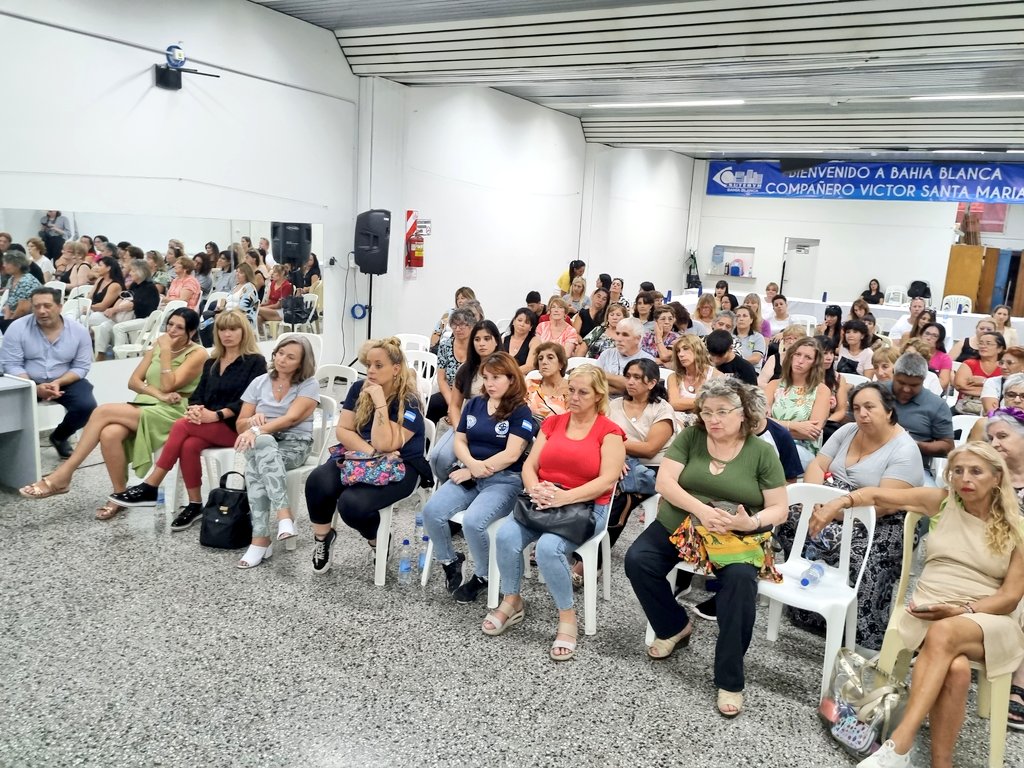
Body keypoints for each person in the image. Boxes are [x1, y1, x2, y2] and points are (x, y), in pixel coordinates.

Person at [813, 443, 1024, 768]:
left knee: (944, 632)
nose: (965, 478)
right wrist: (837, 503)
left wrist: (965, 610)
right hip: (930, 606)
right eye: (958, 471)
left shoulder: (1017, 526)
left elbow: (1010, 596)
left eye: (976, 471)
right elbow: (879, 496)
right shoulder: (941, 503)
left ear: (997, 478)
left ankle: (899, 745)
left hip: (987, 616)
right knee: (956, 669)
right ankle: (942, 764)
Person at [625, 377, 787, 717]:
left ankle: (729, 678)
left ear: (742, 414)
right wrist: (700, 510)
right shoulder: (691, 437)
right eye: (707, 412)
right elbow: (664, 482)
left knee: (741, 585)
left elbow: (779, 508)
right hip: (682, 522)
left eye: (723, 412)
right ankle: (674, 626)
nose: (713, 419)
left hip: (735, 534)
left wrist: (750, 523)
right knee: (639, 560)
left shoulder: (761, 452)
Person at [483, 365, 625, 661]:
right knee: (507, 536)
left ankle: (567, 617)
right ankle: (512, 600)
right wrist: (535, 490)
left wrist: (563, 497)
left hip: (585, 506)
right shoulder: (553, 423)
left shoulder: (609, 432)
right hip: (545, 498)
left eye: (582, 392)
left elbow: (608, 479)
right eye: (571, 390)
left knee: (548, 548)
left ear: (598, 395)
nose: (574, 397)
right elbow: (529, 466)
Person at [19, 309, 206, 518]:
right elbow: (133, 382)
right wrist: (159, 394)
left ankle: (63, 475)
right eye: (170, 324)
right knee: (110, 433)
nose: (171, 331)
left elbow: (168, 383)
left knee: (103, 411)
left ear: (191, 332)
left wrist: (164, 354)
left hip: (175, 411)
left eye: (179, 327)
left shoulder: (197, 353)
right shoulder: (158, 346)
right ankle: (119, 495)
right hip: (149, 403)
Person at [782, 383, 923, 649]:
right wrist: (815, 500)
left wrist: (833, 510)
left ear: (889, 410)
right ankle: (808, 610)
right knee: (788, 518)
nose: (862, 414)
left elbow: (885, 503)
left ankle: (859, 632)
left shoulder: (904, 449)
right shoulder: (848, 431)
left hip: (882, 519)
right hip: (830, 503)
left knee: (860, 552)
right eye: (857, 408)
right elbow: (817, 465)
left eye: (870, 407)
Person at [106, 310, 267, 529]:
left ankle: (150, 485)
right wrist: (195, 409)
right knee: (189, 444)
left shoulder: (255, 362)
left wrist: (216, 415)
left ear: (243, 332)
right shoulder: (212, 362)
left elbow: (248, 400)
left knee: (182, 425)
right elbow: (197, 394)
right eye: (222, 329)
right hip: (208, 424)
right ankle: (194, 504)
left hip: (236, 427)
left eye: (233, 329)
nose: (226, 334)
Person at [304, 338, 426, 572]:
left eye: (378, 365)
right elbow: (343, 431)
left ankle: (378, 539)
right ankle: (323, 539)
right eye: (369, 364)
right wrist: (371, 453)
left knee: (352, 504)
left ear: (396, 369)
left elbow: (386, 443)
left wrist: (380, 402)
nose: (370, 370)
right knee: (317, 481)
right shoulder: (358, 389)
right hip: (361, 455)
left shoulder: (410, 401)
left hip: (401, 466)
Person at [422, 352, 533, 602]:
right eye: (486, 378)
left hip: (504, 480)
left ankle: (483, 576)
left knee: (473, 522)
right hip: (471, 474)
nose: (490, 383)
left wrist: (472, 468)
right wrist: (471, 465)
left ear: (512, 379)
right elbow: (460, 440)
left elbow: (512, 454)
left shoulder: (520, 411)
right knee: (432, 512)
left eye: (496, 377)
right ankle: (451, 562)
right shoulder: (474, 404)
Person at [231, 336, 319, 569]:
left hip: (295, 444)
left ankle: (260, 540)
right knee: (263, 446)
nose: (282, 359)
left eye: (290, 357)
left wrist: (257, 430)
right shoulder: (259, 382)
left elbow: (291, 418)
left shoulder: (309, 384)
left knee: (258, 454)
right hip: (263, 444)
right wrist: (251, 421)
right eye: (280, 353)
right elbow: (240, 424)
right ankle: (284, 518)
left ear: (301, 363)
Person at [588, 358, 675, 581]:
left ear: (652, 382)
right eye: (628, 376)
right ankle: (577, 542)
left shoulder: (662, 410)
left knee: (620, 496)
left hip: (652, 468)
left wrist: (614, 446)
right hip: (618, 461)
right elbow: (595, 436)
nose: (630, 382)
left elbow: (649, 449)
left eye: (637, 377)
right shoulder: (613, 406)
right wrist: (615, 456)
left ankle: (590, 563)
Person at [0, 287, 96, 459]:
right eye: (36, 306)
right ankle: (11, 450)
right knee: (6, 405)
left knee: (86, 406)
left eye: (47, 306)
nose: (41, 311)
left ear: (60, 306)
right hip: (25, 381)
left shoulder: (78, 331)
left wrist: (58, 382)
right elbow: (12, 364)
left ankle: (59, 437)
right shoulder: (17, 328)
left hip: (65, 380)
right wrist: (34, 387)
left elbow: (81, 367)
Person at [430, 320, 501, 482]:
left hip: (496, 428)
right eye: (477, 339)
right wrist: (459, 430)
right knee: (439, 458)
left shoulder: (507, 369)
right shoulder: (465, 369)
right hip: (466, 425)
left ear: (496, 340)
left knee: (484, 460)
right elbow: (454, 406)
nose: (481, 344)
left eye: (487, 338)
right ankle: (460, 485)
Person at [887, 351, 954, 486]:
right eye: (901, 382)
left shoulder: (937, 405)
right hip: (869, 458)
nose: (906, 389)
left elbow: (948, 446)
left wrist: (912, 445)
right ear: (893, 374)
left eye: (913, 385)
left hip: (913, 467)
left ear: (923, 380)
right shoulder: (876, 392)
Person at [765, 337, 831, 468]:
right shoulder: (773, 385)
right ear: (790, 356)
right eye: (798, 354)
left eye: (808, 357)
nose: (800, 361)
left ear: (814, 363)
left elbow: (812, 433)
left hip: (802, 450)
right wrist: (794, 426)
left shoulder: (821, 390)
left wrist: (773, 427)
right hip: (768, 444)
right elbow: (759, 422)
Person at [92, 259, 160, 359]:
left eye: (132, 271)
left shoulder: (149, 287)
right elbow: (123, 297)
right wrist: (113, 310)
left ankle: (120, 357)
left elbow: (133, 304)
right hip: (130, 317)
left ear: (140, 272)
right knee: (104, 326)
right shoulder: (134, 285)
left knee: (118, 327)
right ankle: (101, 354)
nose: (130, 273)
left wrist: (114, 310)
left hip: (145, 318)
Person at [427, 306, 474, 423]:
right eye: (454, 325)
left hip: (471, 393)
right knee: (430, 405)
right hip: (450, 391)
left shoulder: (476, 347)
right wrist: (451, 403)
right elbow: (441, 379)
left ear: (471, 326)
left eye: (462, 325)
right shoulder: (445, 346)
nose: (458, 329)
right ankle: (427, 440)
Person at [199, 263, 260, 347]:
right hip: (227, 315)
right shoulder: (236, 287)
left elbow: (242, 308)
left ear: (247, 274)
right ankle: (208, 348)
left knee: (211, 327)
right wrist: (221, 308)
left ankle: (219, 348)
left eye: (241, 273)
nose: (237, 274)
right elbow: (227, 300)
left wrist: (223, 315)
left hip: (240, 317)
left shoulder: (249, 287)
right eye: (237, 272)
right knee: (203, 324)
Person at [667, 335, 720, 428]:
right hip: (678, 421)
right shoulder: (673, 377)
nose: (681, 354)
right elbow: (674, 404)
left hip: (706, 422)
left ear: (697, 349)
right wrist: (703, 401)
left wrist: (684, 403)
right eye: (678, 351)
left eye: (686, 349)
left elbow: (717, 403)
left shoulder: (715, 375)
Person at [597, 317, 654, 395]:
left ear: (637, 339)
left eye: (625, 335)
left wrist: (602, 375)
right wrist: (622, 386)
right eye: (617, 333)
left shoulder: (647, 360)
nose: (619, 338)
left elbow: (639, 389)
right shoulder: (606, 354)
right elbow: (593, 382)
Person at [953, 331, 1004, 414]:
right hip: (966, 408)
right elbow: (960, 386)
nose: (983, 346)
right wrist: (992, 392)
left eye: (988, 343)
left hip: (995, 411)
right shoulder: (969, 363)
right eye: (981, 343)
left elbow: (1005, 390)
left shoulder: (1004, 367)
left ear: (999, 348)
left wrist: (984, 381)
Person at [817, 335, 851, 442]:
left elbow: (841, 411)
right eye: (825, 353)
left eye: (831, 353)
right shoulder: (803, 377)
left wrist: (823, 423)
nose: (829, 357)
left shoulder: (839, 379)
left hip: (828, 423)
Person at [1, 251, 43, 332]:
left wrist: (9, 323)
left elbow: (24, 309)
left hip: (29, 319)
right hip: (14, 318)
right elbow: (9, 304)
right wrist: (6, 320)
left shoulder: (27, 281)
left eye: (7, 263)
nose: (4, 265)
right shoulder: (12, 279)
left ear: (18, 265)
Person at [526, 342, 569, 420]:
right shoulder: (529, 385)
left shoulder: (572, 389)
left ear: (561, 364)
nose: (544, 362)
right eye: (540, 358)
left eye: (550, 357)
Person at [430, 286, 475, 351]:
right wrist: (433, 347)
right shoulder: (449, 312)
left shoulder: (474, 314)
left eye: (462, 298)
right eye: (457, 299)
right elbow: (437, 332)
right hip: (442, 347)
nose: (459, 301)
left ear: (470, 299)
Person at [982, 349, 1024, 413]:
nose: (1003, 367)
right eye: (1001, 363)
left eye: (1009, 363)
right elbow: (992, 413)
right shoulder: (992, 382)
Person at [256, 263, 294, 332]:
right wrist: (262, 305)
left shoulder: (287, 286)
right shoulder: (273, 283)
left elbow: (278, 305)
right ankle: (262, 336)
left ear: (281, 274)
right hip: (271, 309)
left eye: (274, 272)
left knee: (256, 309)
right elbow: (269, 301)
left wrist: (262, 308)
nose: (272, 274)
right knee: (258, 317)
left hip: (281, 311)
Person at [501, 307, 539, 372]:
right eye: (519, 320)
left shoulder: (535, 341)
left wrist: (509, 374)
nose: (522, 324)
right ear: (513, 322)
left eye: (526, 322)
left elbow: (530, 366)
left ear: (531, 327)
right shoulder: (503, 340)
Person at [918, 322, 953, 391]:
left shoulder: (944, 358)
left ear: (940, 340)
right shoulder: (912, 351)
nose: (928, 338)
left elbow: (943, 383)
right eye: (927, 333)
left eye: (934, 336)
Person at [733, 305, 766, 370]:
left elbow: (756, 358)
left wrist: (736, 364)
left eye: (745, 316)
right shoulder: (729, 336)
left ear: (751, 320)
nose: (741, 319)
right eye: (738, 316)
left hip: (750, 371)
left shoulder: (758, 337)